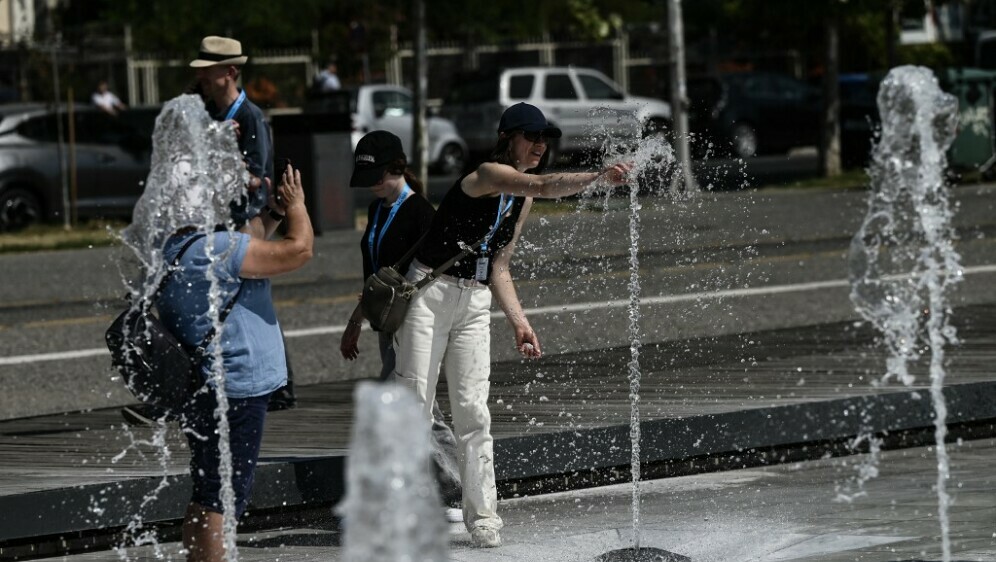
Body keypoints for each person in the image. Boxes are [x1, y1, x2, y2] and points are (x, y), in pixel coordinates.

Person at [390, 102, 633, 548]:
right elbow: (543, 185)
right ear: (508, 138)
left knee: (473, 413)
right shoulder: (486, 174)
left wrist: (520, 323)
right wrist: (598, 177)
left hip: (474, 300)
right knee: (415, 409)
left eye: (545, 139)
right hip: (430, 293)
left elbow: (500, 265)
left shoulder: (518, 200)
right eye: (531, 136)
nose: (540, 145)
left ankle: (483, 517)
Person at [339, 130, 463, 523]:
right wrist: (355, 321)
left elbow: (432, 277)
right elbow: (375, 276)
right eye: (368, 180)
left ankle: (447, 494)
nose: (373, 186)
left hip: (414, 324)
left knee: (405, 405)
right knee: (418, 407)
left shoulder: (422, 213)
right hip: (386, 324)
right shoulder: (379, 210)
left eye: (378, 177)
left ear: (398, 168)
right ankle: (446, 492)